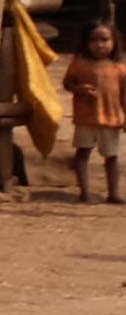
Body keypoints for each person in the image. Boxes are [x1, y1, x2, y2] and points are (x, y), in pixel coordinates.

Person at [64, 20, 125, 205]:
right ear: (85, 42)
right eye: (94, 40)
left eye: (105, 39)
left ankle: (113, 193)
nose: (99, 44)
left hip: (111, 119)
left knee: (112, 157)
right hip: (86, 119)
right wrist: (79, 89)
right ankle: (85, 192)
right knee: (83, 154)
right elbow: (67, 83)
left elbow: (124, 94)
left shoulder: (118, 68)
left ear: (114, 41)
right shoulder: (79, 63)